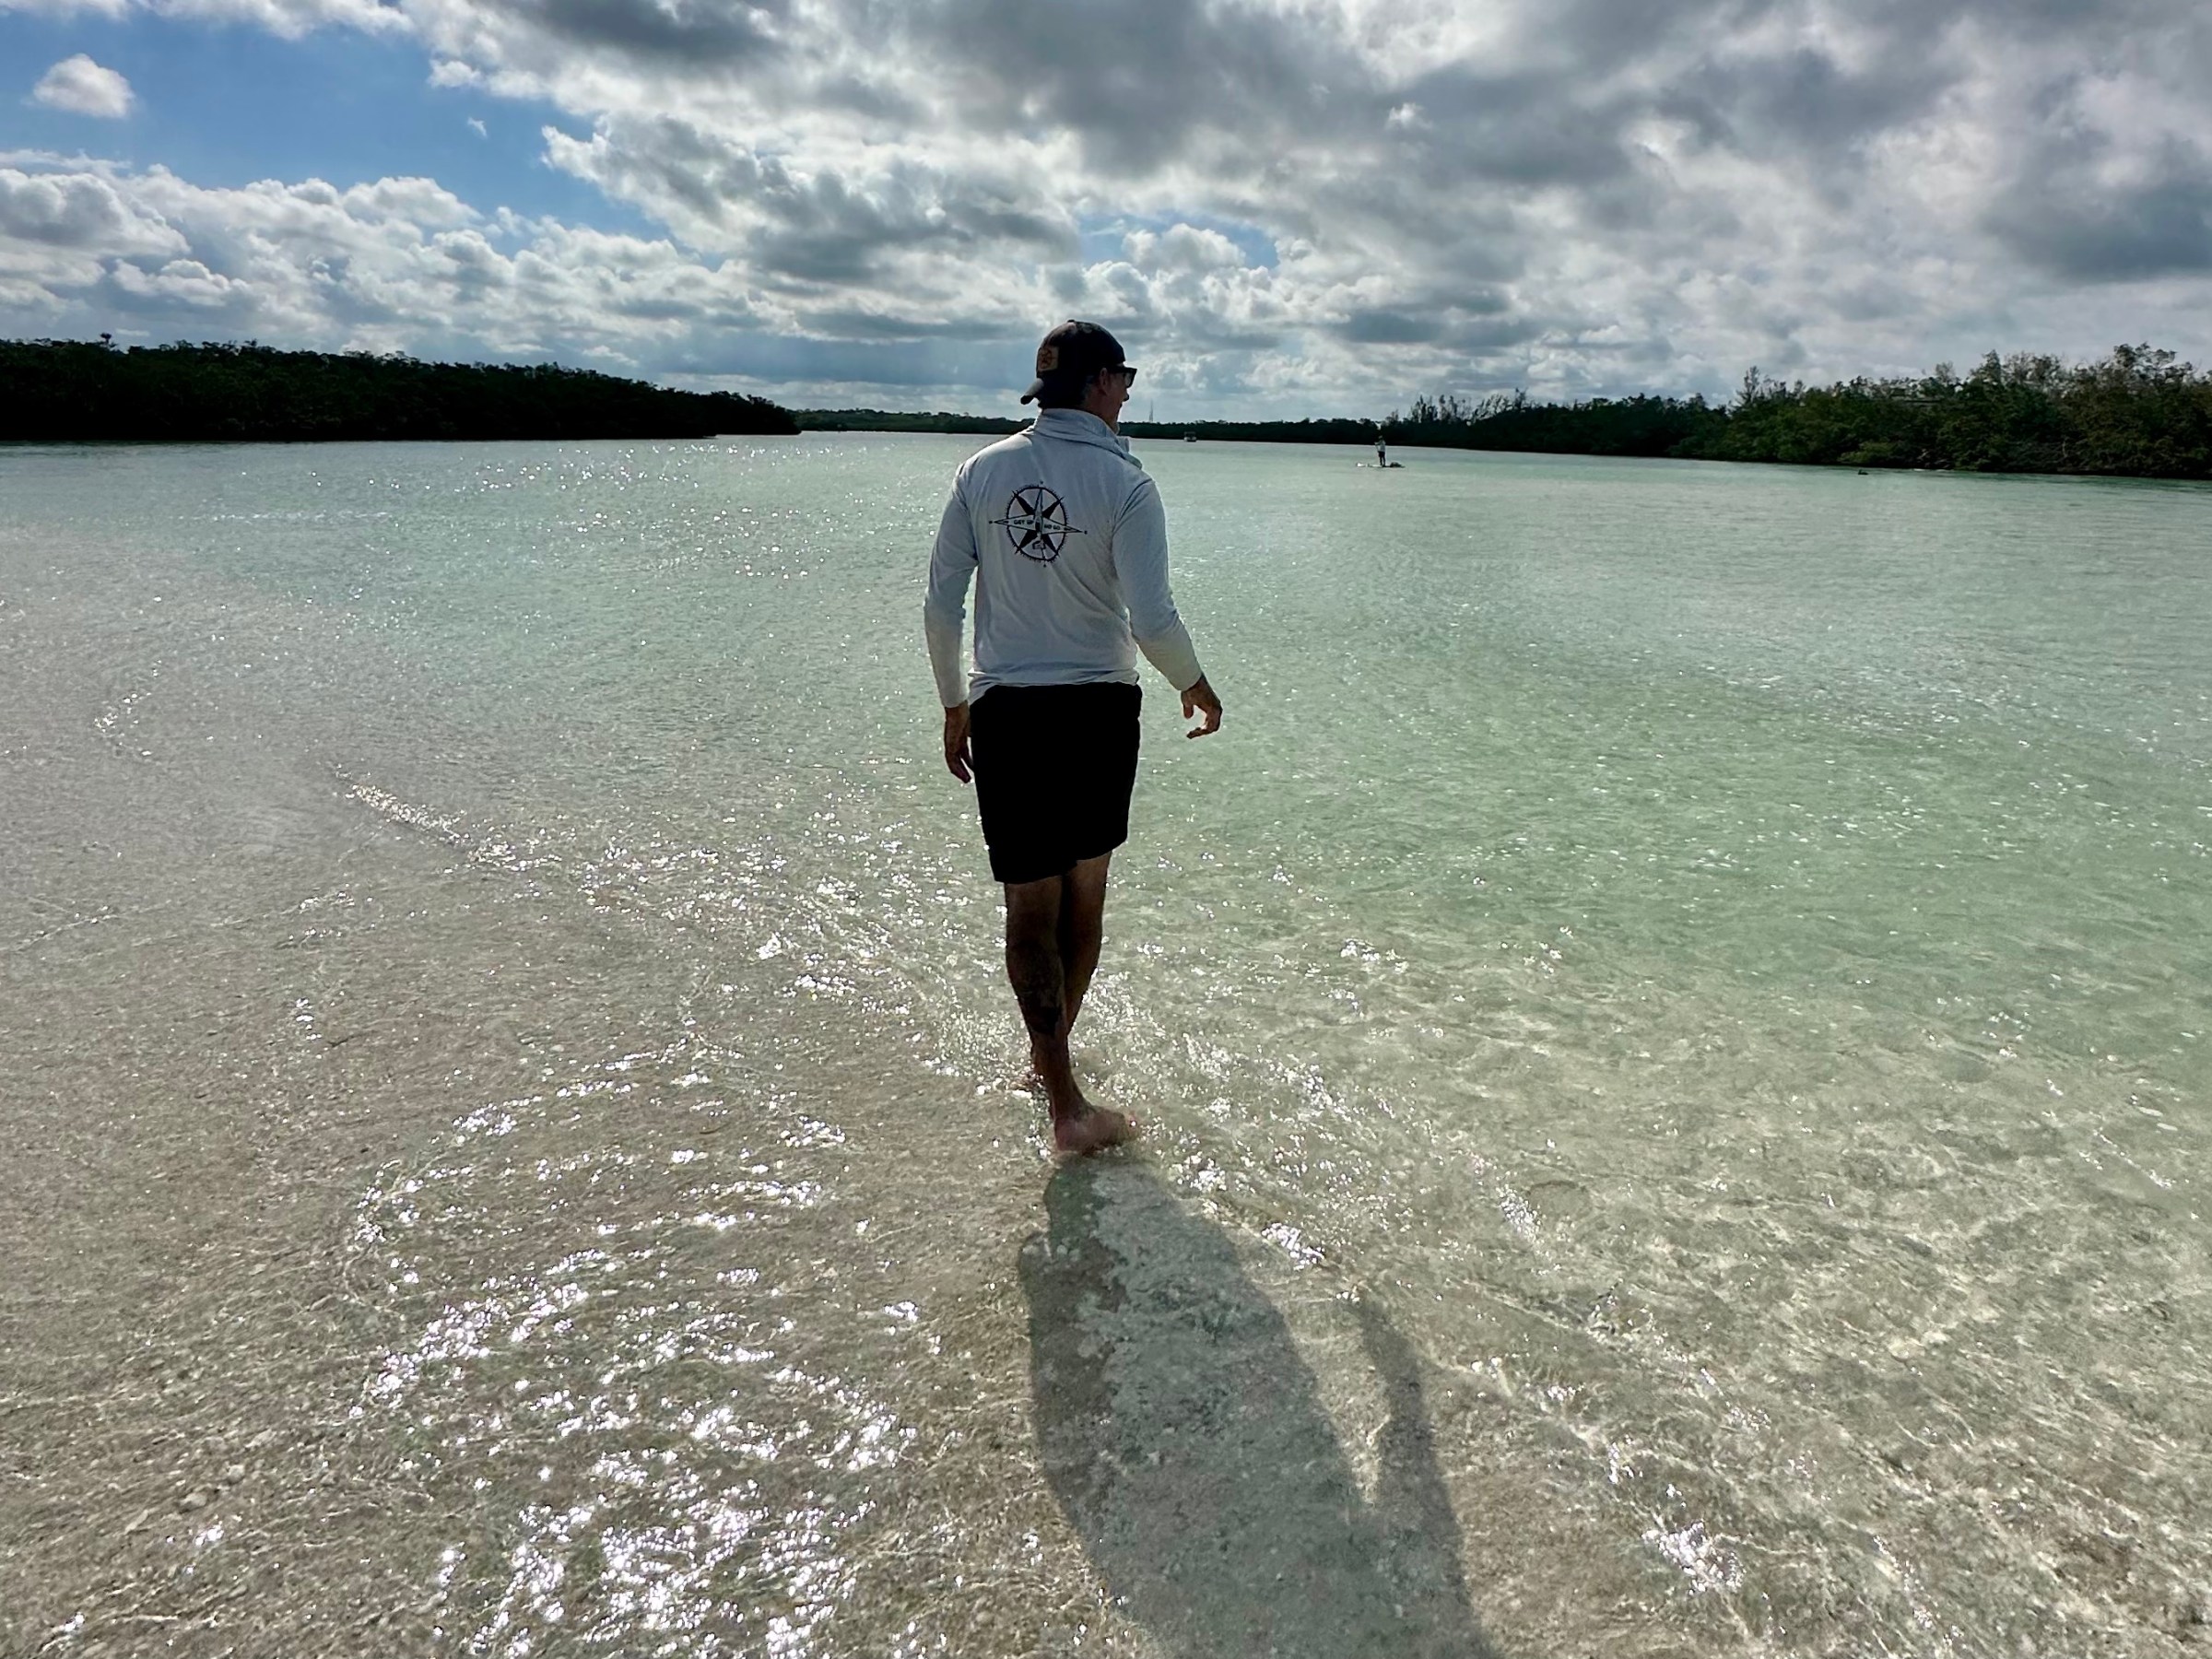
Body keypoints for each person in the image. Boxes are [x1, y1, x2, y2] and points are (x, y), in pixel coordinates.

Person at [924, 320, 1223, 1155]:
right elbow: (1153, 617)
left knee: (1029, 903)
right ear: (1097, 384)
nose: (1128, 391)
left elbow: (939, 605)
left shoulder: (980, 473)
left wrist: (955, 705)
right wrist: (1194, 685)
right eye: (1122, 377)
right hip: (1094, 712)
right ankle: (1063, 1102)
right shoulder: (1128, 485)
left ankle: (1052, 1076)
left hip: (1008, 711)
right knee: (1082, 900)